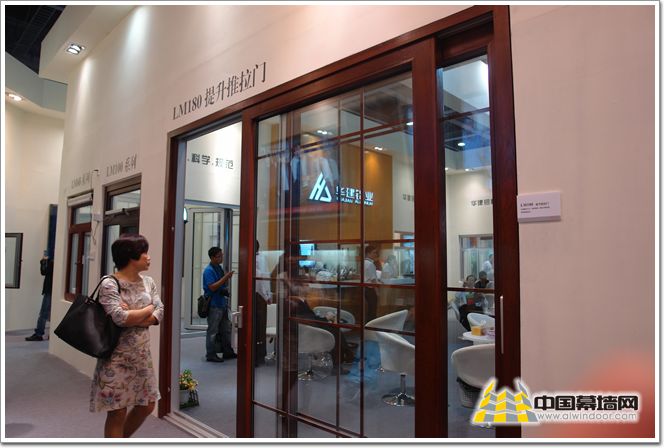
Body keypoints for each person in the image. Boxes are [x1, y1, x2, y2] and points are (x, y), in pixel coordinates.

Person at [89, 234, 164, 438]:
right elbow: (120, 318)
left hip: (141, 356)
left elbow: (160, 311)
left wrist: (134, 314)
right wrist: (148, 308)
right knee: (117, 412)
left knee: (147, 405)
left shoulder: (148, 282)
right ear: (131, 256)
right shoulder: (110, 283)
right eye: (144, 252)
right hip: (116, 357)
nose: (149, 257)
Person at [203, 246, 236, 362]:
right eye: (219, 256)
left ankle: (227, 351)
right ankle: (210, 354)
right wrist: (226, 277)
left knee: (226, 329)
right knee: (213, 330)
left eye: (221, 256)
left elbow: (221, 284)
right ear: (212, 258)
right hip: (214, 304)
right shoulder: (208, 271)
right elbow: (212, 287)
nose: (221, 258)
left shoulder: (218, 268)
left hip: (222, 303)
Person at [25, 252, 54, 341]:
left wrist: (45, 262)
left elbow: (45, 272)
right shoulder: (51, 261)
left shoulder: (54, 262)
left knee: (44, 313)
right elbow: (43, 272)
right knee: (47, 313)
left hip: (50, 290)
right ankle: (42, 333)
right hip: (49, 289)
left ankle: (39, 334)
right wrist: (43, 262)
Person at [254, 240, 271, 366]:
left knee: (259, 326)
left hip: (259, 296)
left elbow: (263, 277)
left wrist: (266, 295)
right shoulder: (250, 257)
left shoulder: (260, 258)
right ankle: (255, 354)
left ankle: (258, 355)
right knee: (255, 326)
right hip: (254, 295)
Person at [363, 245, 380, 321]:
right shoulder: (370, 264)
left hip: (365, 288)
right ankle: (371, 324)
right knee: (372, 309)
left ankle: (368, 323)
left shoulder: (364, 262)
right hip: (370, 289)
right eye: (374, 252)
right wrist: (377, 291)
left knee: (369, 308)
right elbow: (373, 279)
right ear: (368, 253)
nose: (375, 254)